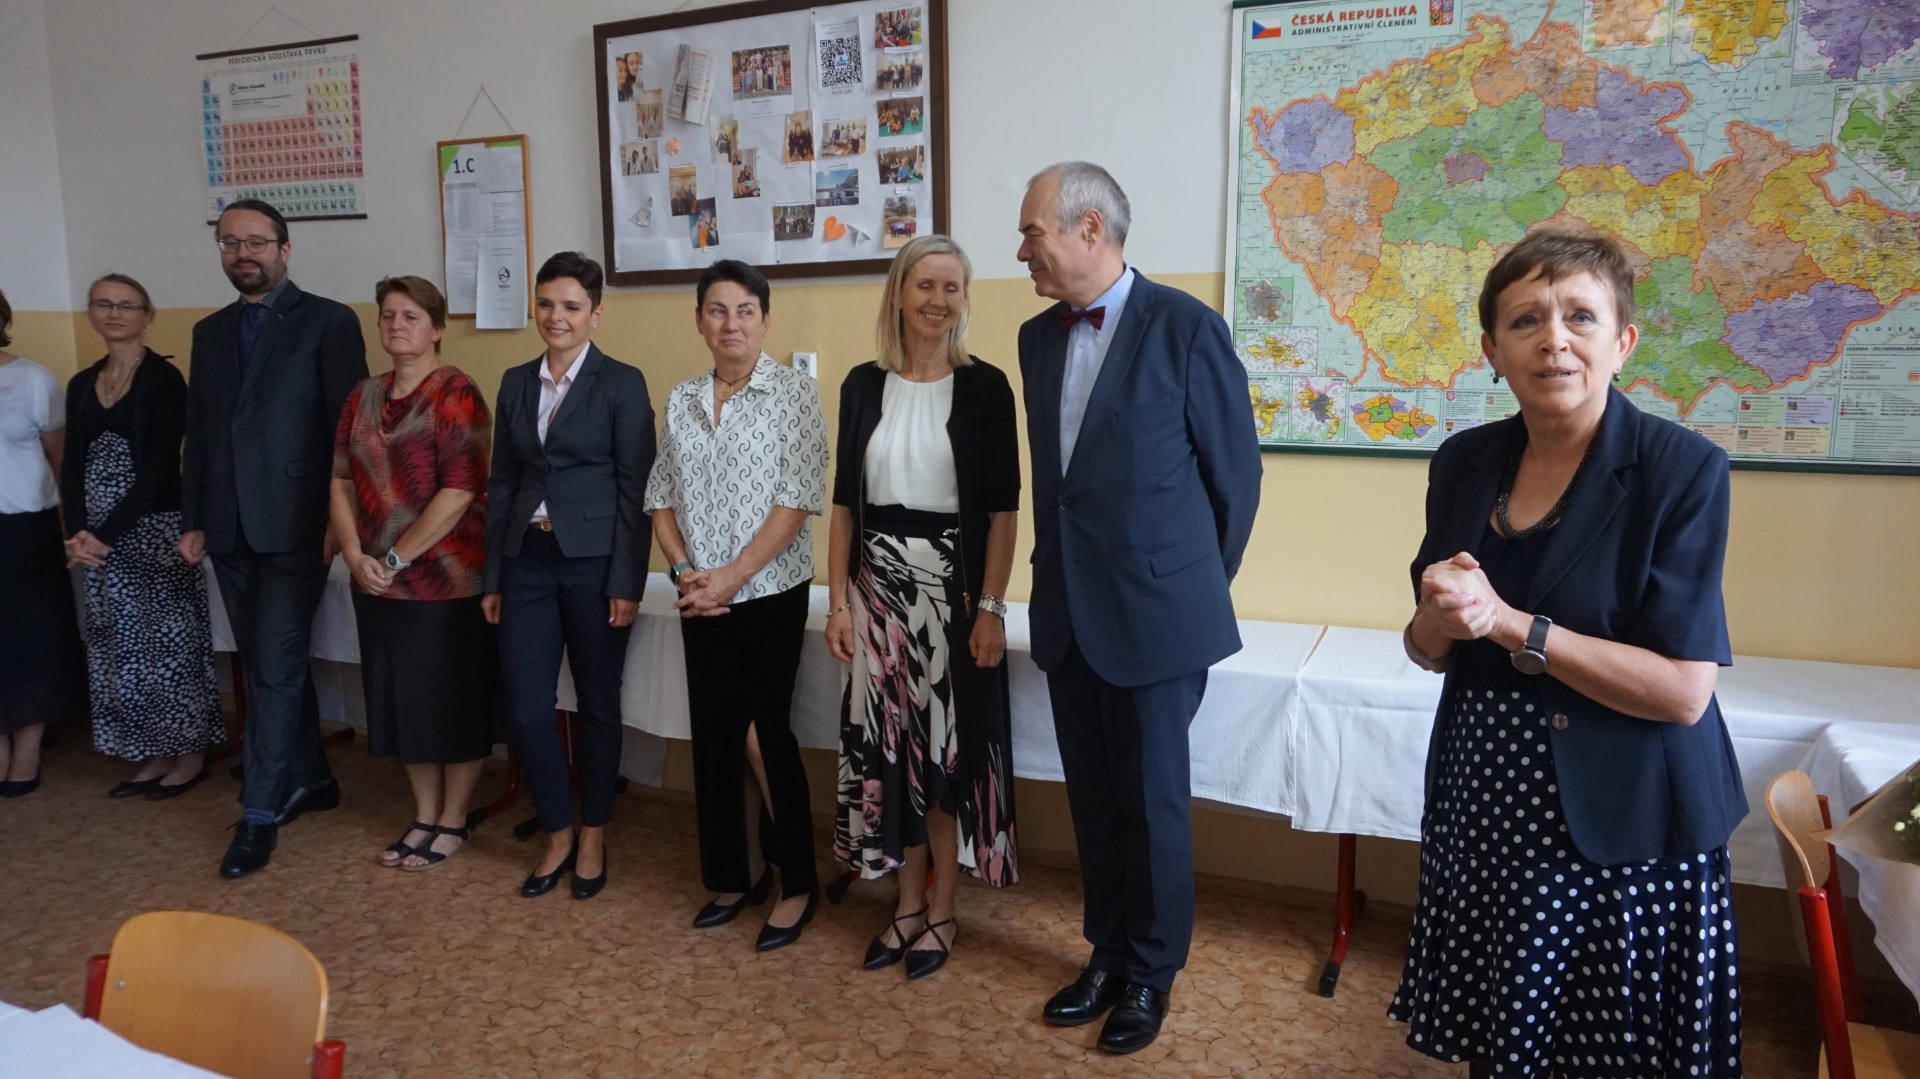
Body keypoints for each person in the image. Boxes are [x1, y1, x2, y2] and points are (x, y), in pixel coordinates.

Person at [1392, 229, 1745, 1078]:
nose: (1554, 339)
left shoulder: (1681, 469)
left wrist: (1513, 624)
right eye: (1526, 321)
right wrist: (1442, 616)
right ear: (1493, 352)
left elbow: (1683, 693)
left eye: (1580, 316)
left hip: (1624, 823)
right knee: (1502, 1044)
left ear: (1622, 342)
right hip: (1486, 813)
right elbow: (1425, 645)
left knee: (1612, 1055)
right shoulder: (1464, 462)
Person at [1015, 162, 1262, 1054]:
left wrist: (1184, 586)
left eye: (1033, 232)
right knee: (1095, 800)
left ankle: (1152, 975)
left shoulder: (1187, 327)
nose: (1022, 250)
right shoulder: (1035, 339)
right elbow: (1063, 485)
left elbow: (1236, 482)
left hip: (1158, 615)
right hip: (1069, 609)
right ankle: (1108, 953)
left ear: (1090, 228)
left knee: (1153, 805)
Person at [825, 235, 1020, 980]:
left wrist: (992, 608)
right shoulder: (860, 385)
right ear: (899, 293)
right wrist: (840, 601)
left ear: (964, 300)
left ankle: (942, 909)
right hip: (876, 597)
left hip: (953, 597)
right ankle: (904, 902)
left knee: (943, 758)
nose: (938, 300)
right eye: (925, 285)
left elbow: (1003, 512)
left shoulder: (986, 388)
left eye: (952, 287)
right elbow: (845, 506)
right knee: (891, 753)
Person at [180, 198, 368, 878]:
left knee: (274, 667)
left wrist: (339, 523)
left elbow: (348, 434)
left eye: (256, 242)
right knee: (268, 659)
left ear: (284, 249)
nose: (243, 254)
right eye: (231, 243)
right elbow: (202, 431)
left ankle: (259, 813)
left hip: (297, 527)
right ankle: (312, 779)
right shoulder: (208, 332)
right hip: (228, 526)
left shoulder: (328, 321)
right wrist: (194, 518)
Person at [647, 259, 828, 951]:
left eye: (745, 310)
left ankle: (798, 881)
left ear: (765, 320)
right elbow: (660, 497)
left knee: (763, 733)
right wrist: (687, 572)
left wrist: (731, 577)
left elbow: (797, 500)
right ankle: (736, 874)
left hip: (769, 592)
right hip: (700, 593)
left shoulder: (794, 394)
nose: (731, 323)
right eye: (717, 310)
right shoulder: (682, 398)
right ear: (699, 320)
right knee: (717, 734)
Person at [484, 252, 653, 901]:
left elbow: (637, 490)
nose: (557, 316)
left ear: (595, 313)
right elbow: (503, 481)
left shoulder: (622, 383)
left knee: (597, 704)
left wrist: (626, 582)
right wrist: (494, 574)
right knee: (527, 709)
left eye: (572, 306)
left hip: (594, 565)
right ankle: (557, 829)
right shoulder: (515, 381)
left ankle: (593, 834)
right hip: (526, 560)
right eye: (547, 303)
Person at [331, 276, 496, 872]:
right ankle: (424, 814)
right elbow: (340, 480)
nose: (397, 325)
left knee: (450, 704)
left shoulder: (456, 391)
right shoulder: (361, 395)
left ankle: (453, 818)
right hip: (375, 581)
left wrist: (396, 559)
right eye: (388, 316)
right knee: (403, 704)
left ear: (437, 328)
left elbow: (460, 491)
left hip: (445, 582)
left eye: (411, 316)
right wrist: (354, 554)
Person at [62, 275, 223, 800]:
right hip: (97, 541)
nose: (115, 313)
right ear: (91, 313)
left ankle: (189, 753)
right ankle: (152, 751)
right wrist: (78, 533)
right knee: (121, 648)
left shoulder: (163, 379)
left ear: (147, 315)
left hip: (152, 530)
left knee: (168, 645)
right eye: (103, 304)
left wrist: (105, 535)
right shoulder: (81, 383)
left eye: (127, 305)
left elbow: (159, 469)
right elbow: (71, 466)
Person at [0, 289, 85, 798]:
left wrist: (72, 530)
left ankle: (28, 745)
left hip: (25, 528)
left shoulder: (32, 379)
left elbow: (61, 463)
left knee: (31, 637)